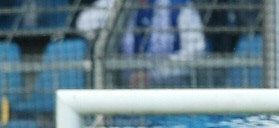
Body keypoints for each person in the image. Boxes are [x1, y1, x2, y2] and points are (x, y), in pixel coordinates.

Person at [75, 0, 207, 87]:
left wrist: (155, 74)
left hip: (170, 87)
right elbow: (84, 23)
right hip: (124, 86)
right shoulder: (115, 4)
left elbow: (196, 50)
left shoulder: (178, 4)